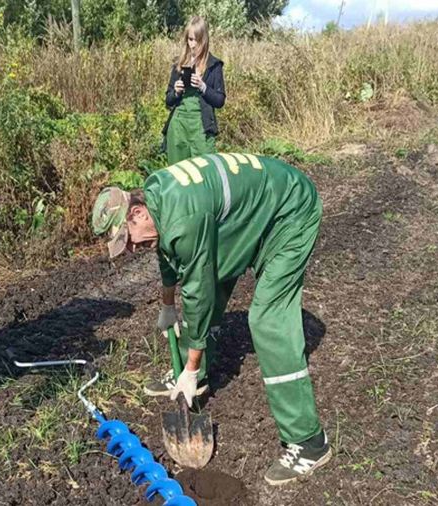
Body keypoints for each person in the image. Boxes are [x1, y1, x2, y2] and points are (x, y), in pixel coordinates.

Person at [92, 153, 331, 485]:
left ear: (136, 212)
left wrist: (188, 367)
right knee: (208, 283)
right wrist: (167, 306)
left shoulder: (184, 218)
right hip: (254, 212)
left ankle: (309, 442)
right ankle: (197, 375)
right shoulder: (157, 194)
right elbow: (167, 254)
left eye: (127, 238)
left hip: (289, 213)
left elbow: (198, 289)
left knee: (268, 319)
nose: (131, 248)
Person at [162, 17, 226, 165]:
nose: (193, 45)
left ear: (204, 40)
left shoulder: (214, 65)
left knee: (205, 173)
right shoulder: (178, 64)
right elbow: (168, 100)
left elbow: (220, 101)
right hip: (178, 127)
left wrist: (203, 87)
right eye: (190, 39)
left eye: (197, 40)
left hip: (201, 127)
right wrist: (176, 92)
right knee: (178, 175)